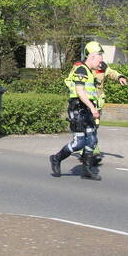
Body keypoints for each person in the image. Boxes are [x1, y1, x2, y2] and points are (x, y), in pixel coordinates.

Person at [49, 48, 105, 180]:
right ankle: (56, 158)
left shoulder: (90, 73)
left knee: (91, 140)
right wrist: (92, 108)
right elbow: (80, 91)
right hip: (78, 110)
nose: (101, 65)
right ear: (91, 58)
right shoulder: (81, 70)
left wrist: (93, 107)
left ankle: (86, 170)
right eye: (99, 61)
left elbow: (90, 93)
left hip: (87, 110)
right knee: (78, 143)